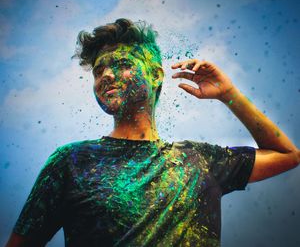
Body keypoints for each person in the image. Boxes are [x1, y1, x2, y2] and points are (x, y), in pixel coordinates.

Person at [6, 18, 299, 247]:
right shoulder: (70, 162)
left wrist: (229, 94)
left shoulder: (199, 161)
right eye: (98, 70)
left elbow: (287, 155)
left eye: (122, 65)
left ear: (156, 75)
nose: (106, 76)